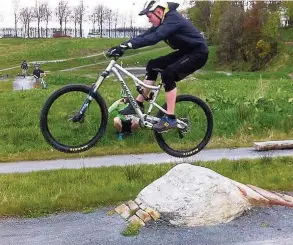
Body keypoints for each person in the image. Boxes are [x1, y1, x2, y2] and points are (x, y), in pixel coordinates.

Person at [107, 0, 209, 133]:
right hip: (185, 52)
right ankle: (138, 103)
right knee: (153, 65)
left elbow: (155, 37)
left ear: (159, 12)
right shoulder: (163, 21)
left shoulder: (172, 19)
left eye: (149, 16)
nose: (149, 20)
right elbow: (145, 36)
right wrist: (122, 45)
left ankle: (170, 119)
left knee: (168, 73)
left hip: (198, 53)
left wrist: (127, 46)